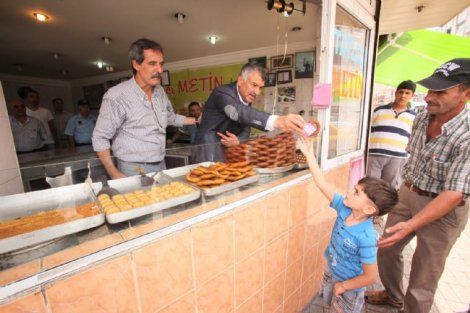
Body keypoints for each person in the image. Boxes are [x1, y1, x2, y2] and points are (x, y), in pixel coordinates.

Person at [364, 58, 470, 313]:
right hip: (408, 193)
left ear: (466, 94)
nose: (429, 97)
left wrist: (411, 225)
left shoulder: (467, 132)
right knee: (386, 249)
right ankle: (392, 295)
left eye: (440, 92)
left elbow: (454, 193)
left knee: (424, 275)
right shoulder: (422, 117)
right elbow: (412, 159)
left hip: (444, 207)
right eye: (430, 89)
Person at [298, 137, 398, 313]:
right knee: (331, 305)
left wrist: (344, 286)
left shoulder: (366, 237)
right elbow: (321, 184)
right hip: (333, 271)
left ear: (368, 209)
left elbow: (370, 277)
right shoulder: (344, 208)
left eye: (356, 192)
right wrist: (309, 154)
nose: (349, 191)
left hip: (350, 286)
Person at [92, 38, 196, 178]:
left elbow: (169, 117)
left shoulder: (159, 91)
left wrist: (196, 120)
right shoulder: (116, 96)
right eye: (152, 63)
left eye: (161, 64)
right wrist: (113, 172)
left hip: (160, 163)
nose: (159, 70)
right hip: (133, 168)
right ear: (136, 64)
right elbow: (100, 137)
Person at [193, 62, 305, 161]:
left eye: (261, 88)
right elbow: (237, 113)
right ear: (241, 80)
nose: (257, 92)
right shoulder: (222, 93)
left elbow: (246, 127)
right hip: (207, 149)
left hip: (227, 150)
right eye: (254, 85)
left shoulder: (246, 99)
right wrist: (276, 120)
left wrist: (239, 140)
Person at [367, 80, 417, 189]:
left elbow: (414, 139)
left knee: (390, 188)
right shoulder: (379, 110)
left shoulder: (414, 117)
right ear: (396, 93)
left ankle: (385, 207)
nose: (403, 96)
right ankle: (370, 206)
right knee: (370, 187)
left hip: (397, 157)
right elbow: (368, 130)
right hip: (375, 154)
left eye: (407, 93)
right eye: (401, 92)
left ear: (412, 96)